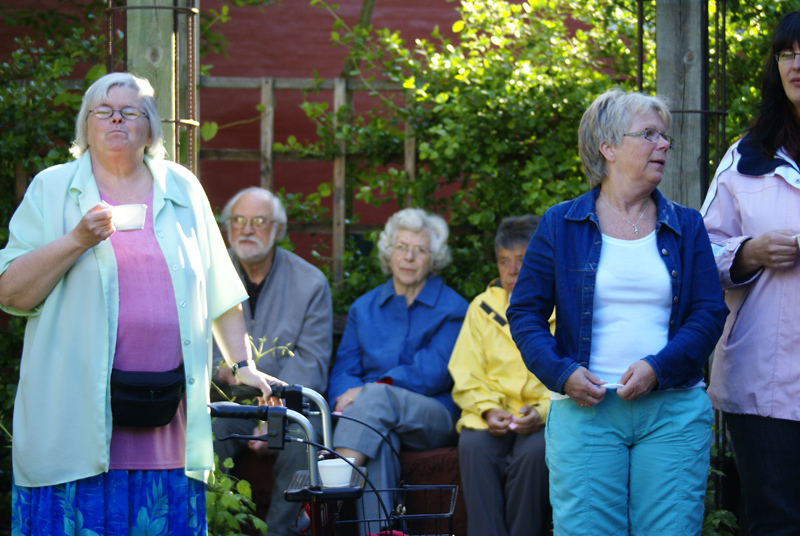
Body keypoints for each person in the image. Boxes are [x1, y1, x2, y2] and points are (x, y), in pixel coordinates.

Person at [0, 72, 278, 535]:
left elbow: (218, 285)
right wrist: (76, 240)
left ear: (150, 127)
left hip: (166, 424)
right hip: (73, 427)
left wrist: (242, 362)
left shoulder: (183, 187)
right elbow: (10, 292)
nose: (115, 119)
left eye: (130, 111)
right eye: (102, 111)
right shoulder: (52, 189)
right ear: (85, 126)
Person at [507, 89, 728, 535]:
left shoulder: (687, 226)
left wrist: (657, 368)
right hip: (585, 413)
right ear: (607, 148)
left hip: (672, 410)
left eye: (665, 136)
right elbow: (525, 313)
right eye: (648, 134)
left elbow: (708, 313)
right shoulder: (559, 224)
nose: (663, 144)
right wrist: (561, 373)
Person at [700, 11, 800, 536]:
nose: (797, 64)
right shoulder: (747, 154)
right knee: (776, 522)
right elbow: (703, 247)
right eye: (787, 53)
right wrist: (750, 252)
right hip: (767, 379)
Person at [327, 207, 467, 525]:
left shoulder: (455, 308)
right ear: (389, 252)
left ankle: (331, 489)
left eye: (420, 250)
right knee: (379, 440)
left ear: (434, 258)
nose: (409, 257)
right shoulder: (364, 308)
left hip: (433, 416)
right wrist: (345, 397)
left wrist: (369, 390)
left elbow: (433, 371)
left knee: (376, 398)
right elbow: (343, 369)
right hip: (371, 419)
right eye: (401, 247)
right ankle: (380, 532)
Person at [211, 186, 333, 536]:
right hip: (228, 401)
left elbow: (311, 360)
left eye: (259, 221)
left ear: (279, 229)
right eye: (239, 220)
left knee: (301, 441)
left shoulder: (310, 282)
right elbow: (197, 347)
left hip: (290, 405)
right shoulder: (210, 277)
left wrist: (275, 413)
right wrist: (225, 369)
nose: (247, 229)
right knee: (204, 438)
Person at [448, 215, 551, 536]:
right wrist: (489, 409)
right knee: (473, 446)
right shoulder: (481, 308)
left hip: (541, 417)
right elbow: (465, 371)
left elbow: (568, 372)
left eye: (522, 260)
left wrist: (542, 412)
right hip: (491, 414)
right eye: (504, 261)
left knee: (534, 454)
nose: (512, 271)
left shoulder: (560, 306)